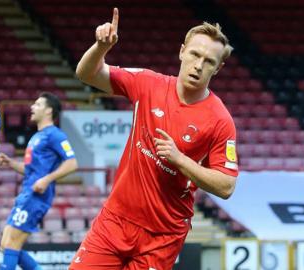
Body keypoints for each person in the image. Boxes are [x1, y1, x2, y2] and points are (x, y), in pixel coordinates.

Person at [70, 8, 238, 269]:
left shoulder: (220, 120)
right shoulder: (148, 83)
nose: (198, 65)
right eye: (194, 54)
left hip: (163, 235)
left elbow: (227, 186)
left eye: (209, 61)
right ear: (182, 51)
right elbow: (86, 74)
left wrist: (180, 160)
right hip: (116, 220)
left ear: (218, 68)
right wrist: (100, 47)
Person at [0, 92, 78, 270]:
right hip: (27, 193)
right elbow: (30, 170)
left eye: (38, 104)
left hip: (37, 196)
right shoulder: (36, 137)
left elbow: (72, 163)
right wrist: (10, 163)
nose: (32, 107)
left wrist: (47, 179)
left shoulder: (55, 135)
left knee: (11, 244)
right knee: (5, 245)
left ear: (49, 111)